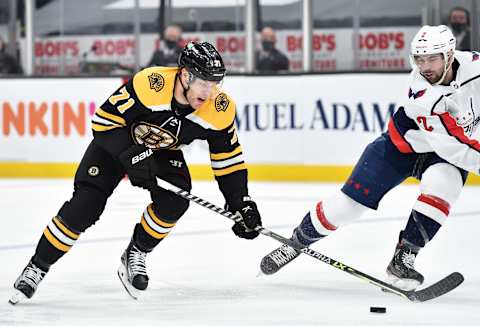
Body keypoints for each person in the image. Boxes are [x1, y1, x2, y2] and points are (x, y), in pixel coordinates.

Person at [9, 41, 262, 304]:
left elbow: (228, 160)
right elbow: (103, 122)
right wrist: (133, 157)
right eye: (204, 83)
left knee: (176, 202)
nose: (209, 93)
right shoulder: (150, 84)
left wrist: (240, 202)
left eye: (215, 85)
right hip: (116, 142)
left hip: (162, 150)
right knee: (84, 207)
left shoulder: (220, 109)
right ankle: (37, 266)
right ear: (186, 75)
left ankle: (136, 251)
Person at [260, 25, 480, 291]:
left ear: (449, 54)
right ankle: (295, 242)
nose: (425, 66)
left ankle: (403, 258)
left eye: (432, 58)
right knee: (345, 208)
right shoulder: (422, 96)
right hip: (399, 150)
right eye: (420, 60)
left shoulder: (475, 66)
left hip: (441, 155)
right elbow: (453, 147)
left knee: (443, 185)